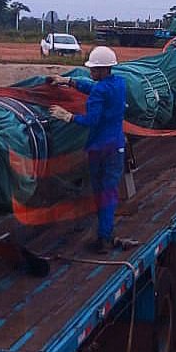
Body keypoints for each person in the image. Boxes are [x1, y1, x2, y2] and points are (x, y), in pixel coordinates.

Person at [49, 46, 126, 252]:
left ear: (103, 69)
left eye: (93, 69)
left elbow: (91, 119)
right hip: (116, 147)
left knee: (103, 193)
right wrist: (69, 81)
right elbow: (95, 88)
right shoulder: (119, 83)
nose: (90, 71)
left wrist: (68, 116)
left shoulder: (100, 91)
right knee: (108, 192)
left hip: (100, 150)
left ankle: (104, 238)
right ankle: (105, 233)